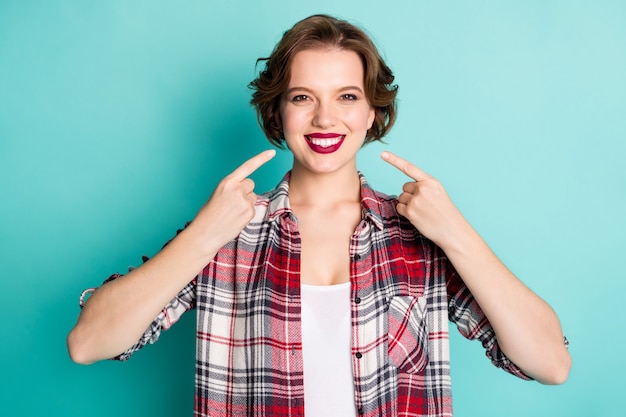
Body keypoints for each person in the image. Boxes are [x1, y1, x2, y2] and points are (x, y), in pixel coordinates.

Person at [67, 14, 571, 417]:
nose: (325, 118)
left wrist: (458, 235)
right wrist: (203, 236)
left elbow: (550, 363)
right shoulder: (228, 234)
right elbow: (89, 343)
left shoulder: (421, 237)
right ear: (277, 112)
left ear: (371, 112)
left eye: (347, 97)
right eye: (302, 98)